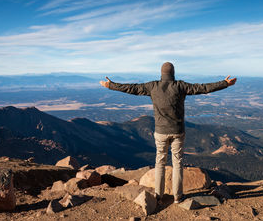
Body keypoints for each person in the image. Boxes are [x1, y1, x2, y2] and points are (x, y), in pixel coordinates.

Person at [100, 62, 236, 203]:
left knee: (160, 162)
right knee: (177, 163)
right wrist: (224, 83)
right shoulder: (180, 86)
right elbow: (202, 88)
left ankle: (159, 195)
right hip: (177, 131)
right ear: (173, 73)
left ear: (161, 73)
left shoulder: (153, 86)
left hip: (160, 132)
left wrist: (111, 85)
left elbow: (132, 88)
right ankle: (178, 196)